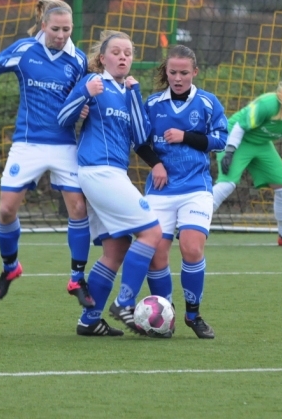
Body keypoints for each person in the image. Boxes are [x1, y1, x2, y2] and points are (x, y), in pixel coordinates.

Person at [0, 0, 94, 307]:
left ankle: (77, 278)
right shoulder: (25, 49)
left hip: (64, 144)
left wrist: (84, 108)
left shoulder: (79, 60)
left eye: (67, 29)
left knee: (78, 209)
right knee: (6, 211)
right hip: (27, 143)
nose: (61, 35)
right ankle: (10, 267)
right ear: (43, 25)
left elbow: (85, 96)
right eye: (55, 29)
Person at [58, 29, 163, 337]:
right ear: (102, 58)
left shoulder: (127, 91)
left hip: (112, 174)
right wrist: (84, 95)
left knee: (116, 249)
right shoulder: (95, 82)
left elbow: (141, 136)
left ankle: (89, 320)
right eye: (116, 52)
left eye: (128, 53)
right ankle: (124, 302)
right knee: (152, 232)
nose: (122, 57)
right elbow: (63, 118)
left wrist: (134, 94)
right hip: (98, 171)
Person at [135, 45, 228, 339]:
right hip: (161, 190)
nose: (178, 78)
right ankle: (167, 314)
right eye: (173, 72)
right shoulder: (152, 104)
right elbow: (140, 142)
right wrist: (156, 164)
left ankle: (193, 314)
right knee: (155, 254)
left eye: (184, 73)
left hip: (195, 188)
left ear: (194, 72)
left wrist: (186, 136)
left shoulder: (208, 103)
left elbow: (220, 140)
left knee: (192, 248)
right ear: (166, 71)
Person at [212, 75, 282, 247]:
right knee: (227, 184)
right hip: (235, 138)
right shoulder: (269, 104)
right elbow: (240, 126)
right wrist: (229, 151)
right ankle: (191, 224)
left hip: (261, 144)